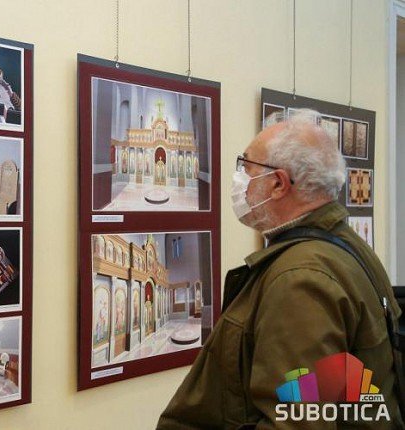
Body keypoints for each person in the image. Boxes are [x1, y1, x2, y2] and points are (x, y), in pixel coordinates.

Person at [157, 109, 404, 429]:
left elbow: (295, 421)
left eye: (246, 166)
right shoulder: (342, 245)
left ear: (277, 184)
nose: (239, 179)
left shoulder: (301, 280)